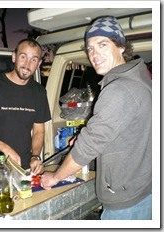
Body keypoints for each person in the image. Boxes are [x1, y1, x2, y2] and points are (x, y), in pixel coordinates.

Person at [38, 16, 152, 220]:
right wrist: (82, 137)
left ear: (121, 47)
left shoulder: (119, 89)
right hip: (143, 188)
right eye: (90, 48)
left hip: (128, 203)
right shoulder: (138, 80)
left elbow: (88, 147)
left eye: (102, 44)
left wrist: (54, 177)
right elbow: (123, 131)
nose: (94, 54)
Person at [0, 38, 51, 183]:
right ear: (14, 57)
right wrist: (5, 148)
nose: (27, 64)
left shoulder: (39, 92)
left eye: (34, 59)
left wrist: (35, 156)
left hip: (23, 169)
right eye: (23, 57)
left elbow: (39, 130)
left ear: (39, 63)